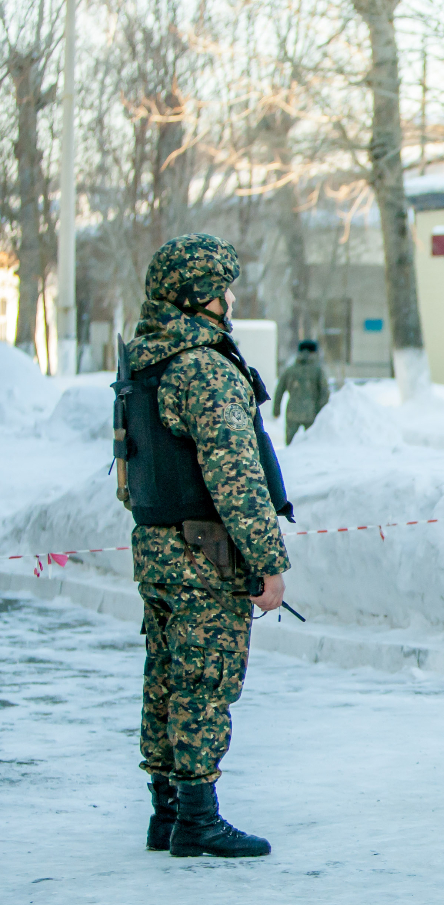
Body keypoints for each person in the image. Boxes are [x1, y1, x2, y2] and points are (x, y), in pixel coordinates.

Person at [122, 234, 292, 858]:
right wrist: (269, 563)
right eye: (222, 286)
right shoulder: (203, 366)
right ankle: (196, 817)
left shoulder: (145, 360)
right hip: (205, 552)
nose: (230, 297)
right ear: (201, 295)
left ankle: (165, 811)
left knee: (167, 673)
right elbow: (237, 478)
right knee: (205, 678)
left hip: (159, 549)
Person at [273, 339, 330, 444]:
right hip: (312, 412)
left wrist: (276, 410)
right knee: (312, 443)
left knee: (290, 444)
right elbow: (324, 392)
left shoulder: (290, 370)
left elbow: (279, 390)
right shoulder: (318, 370)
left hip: (292, 411)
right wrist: (323, 411)